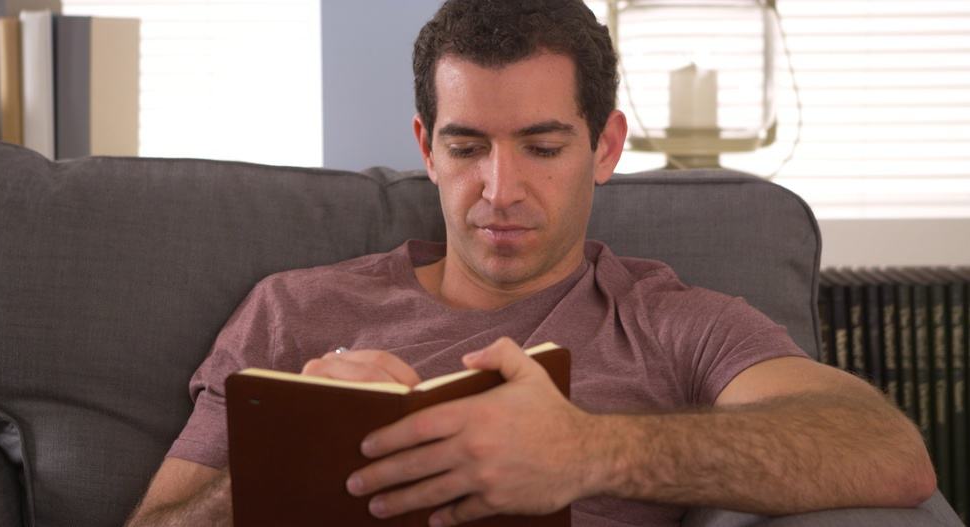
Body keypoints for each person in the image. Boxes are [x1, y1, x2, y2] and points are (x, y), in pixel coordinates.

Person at [125, 1, 935, 526]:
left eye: (542, 147)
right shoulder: (292, 310)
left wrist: (590, 451)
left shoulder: (673, 323)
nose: (499, 188)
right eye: (466, 146)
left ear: (604, 147)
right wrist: (294, 461)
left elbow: (887, 452)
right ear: (426, 150)